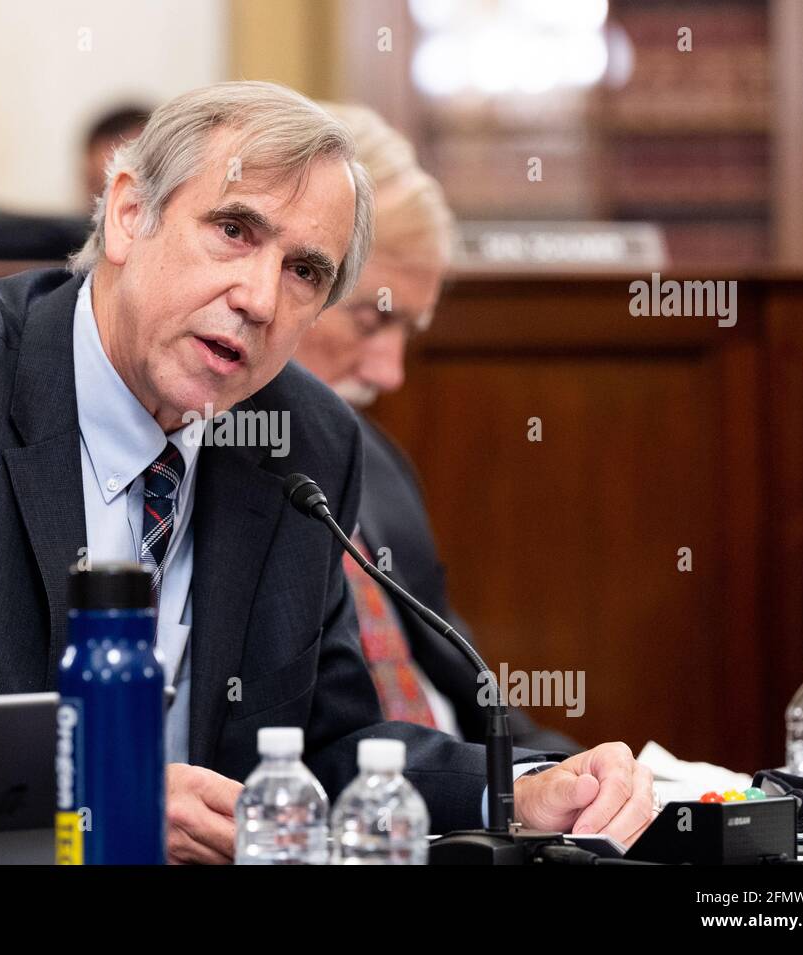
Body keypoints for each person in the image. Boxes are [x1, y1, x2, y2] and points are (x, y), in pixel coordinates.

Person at [0, 81, 653, 862]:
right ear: (125, 214)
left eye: (305, 273)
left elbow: (327, 745)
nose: (257, 296)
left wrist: (510, 790)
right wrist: (86, 792)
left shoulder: (298, 441)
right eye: (233, 230)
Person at [295, 104, 580, 755]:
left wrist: (568, 776)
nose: (391, 372)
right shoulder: (196, 472)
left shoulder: (374, 459)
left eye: (408, 332)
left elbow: (473, 692)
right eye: (373, 320)